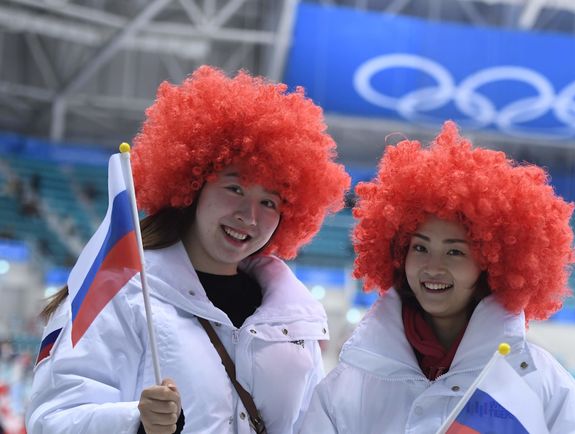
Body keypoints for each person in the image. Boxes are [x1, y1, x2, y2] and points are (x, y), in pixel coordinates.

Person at [301, 122, 575, 434]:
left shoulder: (540, 380)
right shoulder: (351, 381)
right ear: (398, 254)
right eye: (419, 247)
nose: (434, 265)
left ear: (492, 261)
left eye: (455, 251)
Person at [26, 65, 349, 434]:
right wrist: (135, 421)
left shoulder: (295, 318)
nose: (250, 216)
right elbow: (51, 418)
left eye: (270, 203)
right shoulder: (122, 290)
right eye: (235, 189)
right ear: (193, 184)